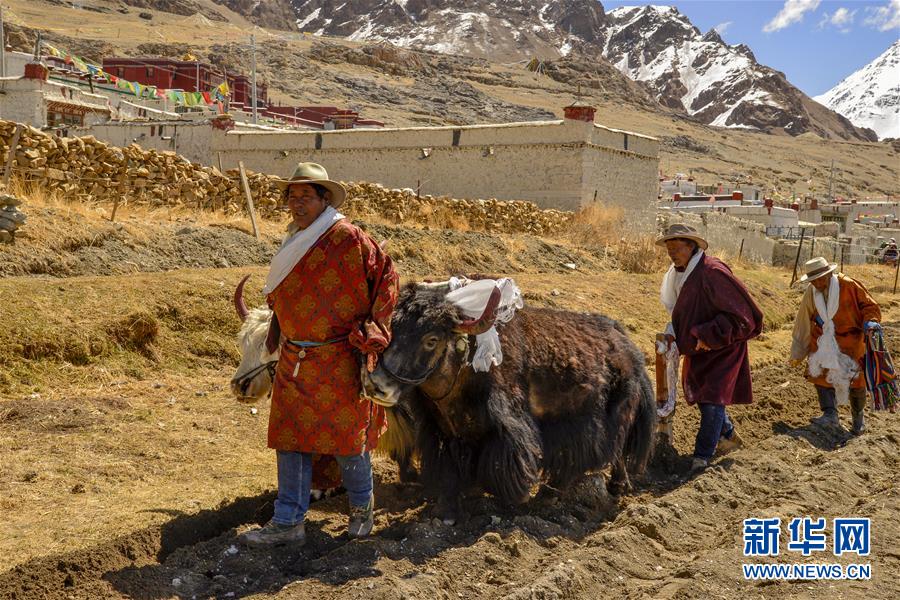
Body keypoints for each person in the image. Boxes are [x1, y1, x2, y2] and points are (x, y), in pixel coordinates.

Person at [240, 163, 400, 547]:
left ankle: (362, 512)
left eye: (305, 196)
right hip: (296, 361)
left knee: (348, 441)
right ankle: (287, 522)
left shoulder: (348, 237)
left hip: (340, 361)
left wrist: (373, 331)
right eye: (292, 197)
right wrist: (277, 336)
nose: (297, 204)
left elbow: (387, 279)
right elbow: (282, 296)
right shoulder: (294, 239)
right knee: (290, 441)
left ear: (324, 199)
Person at [656, 223, 764, 471]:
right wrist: (677, 332)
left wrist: (708, 334)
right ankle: (728, 436)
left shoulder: (713, 272)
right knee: (706, 400)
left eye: (677, 248)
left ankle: (701, 458)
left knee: (714, 399)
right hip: (699, 348)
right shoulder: (679, 274)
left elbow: (743, 316)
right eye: (668, 249)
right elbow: (681, 314)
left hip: (723, 348)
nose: (672, 253)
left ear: (691, 246)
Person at [789, 257, 881, 435]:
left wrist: (871, 322)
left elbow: (870, 306)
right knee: (820, 374)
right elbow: (803, 321)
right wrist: (798, 351)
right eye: (813, 280)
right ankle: (830, 414)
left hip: (851, 340)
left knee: (856, 380)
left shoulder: (849, 285)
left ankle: (858, 418)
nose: (817, 283)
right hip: (823, 339)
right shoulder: (811, 292)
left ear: (830, 274)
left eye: (820, 278)